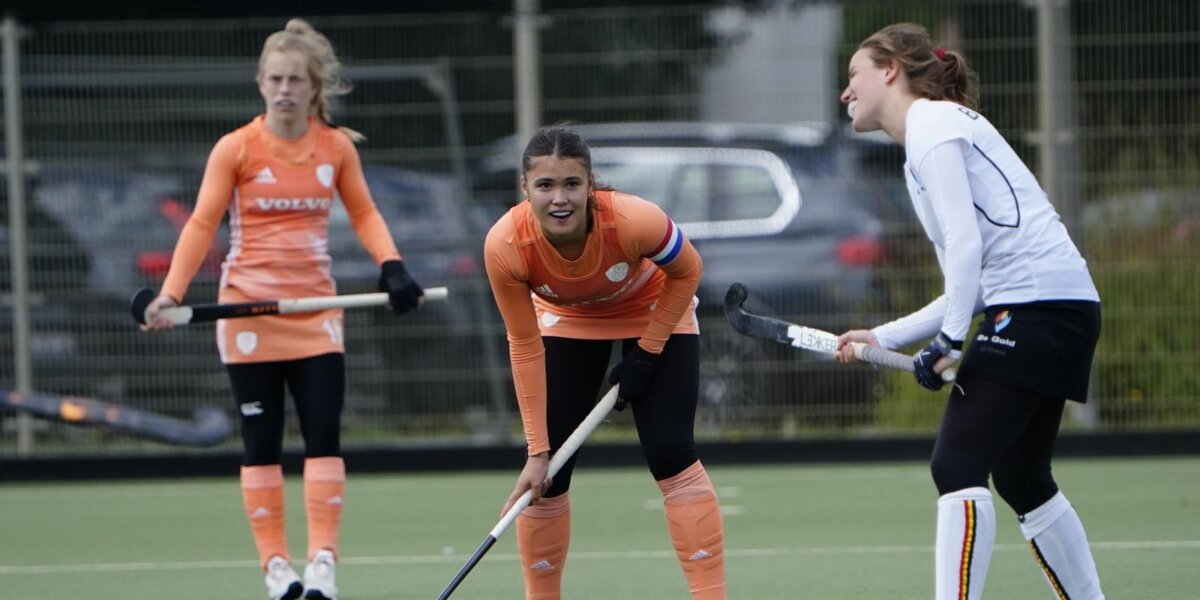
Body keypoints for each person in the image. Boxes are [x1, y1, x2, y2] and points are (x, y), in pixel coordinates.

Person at [139, 18, 425, 600]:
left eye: (295, 79)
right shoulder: (236, 148)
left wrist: (392, 265)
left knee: (323, 436)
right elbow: (202, 223)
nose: (285, 89)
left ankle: (323, 565)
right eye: (275, 79)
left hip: (316, 314)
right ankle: (276, 568)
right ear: (260, 83)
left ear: (313, 86)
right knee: (261, 443)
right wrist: (172, 293)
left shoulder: (335, 147)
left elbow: (365, 213)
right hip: (247, 316)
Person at [835, 23, 1105, 600]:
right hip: (1058, 306)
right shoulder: (923, 148)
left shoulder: (931, 124)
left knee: (955, 466)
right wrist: (885, 335)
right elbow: (970, 283)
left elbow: (965, 247)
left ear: (890, 71)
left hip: (1036, 307)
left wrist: (950, 342)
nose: (845, 91)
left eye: (855, 74)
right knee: (1022, 477)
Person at [484, 126, 726, 600]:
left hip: (653, 306)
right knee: (549, 476)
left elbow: (688, 270)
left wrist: (648, 352)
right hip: (568, 319)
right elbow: (524, 343)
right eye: (545, 185)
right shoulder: (505, 244)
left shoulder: (634, 220)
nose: (559, 198)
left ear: (590, 185)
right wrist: (537, 452)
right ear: (525, 188)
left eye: (571, 184)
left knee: (671, 455)